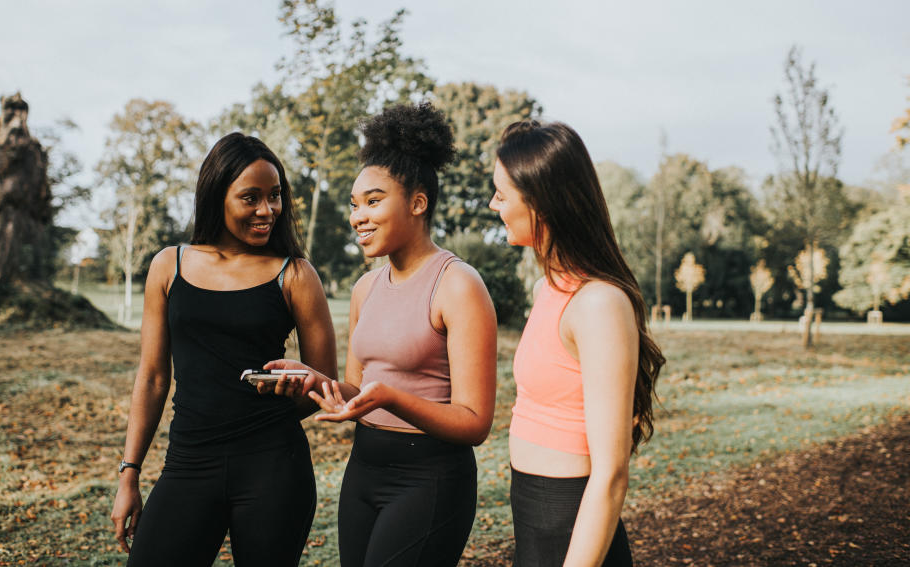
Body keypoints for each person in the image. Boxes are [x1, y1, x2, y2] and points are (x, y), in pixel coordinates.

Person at [266, 102, 497, 567]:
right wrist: (314, 380)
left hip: (430, 477)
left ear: (417, 202)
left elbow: (475, 423)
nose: (358, 217)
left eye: (373, 201)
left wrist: (390, 398)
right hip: (364, 471)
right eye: (354, 205)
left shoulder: (457, 284)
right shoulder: (364, 288)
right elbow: (356, 390)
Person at [109, 133, 337, 567]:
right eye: (250, 197)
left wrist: (295, 388)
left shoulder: (296, 275)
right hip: (189, 462)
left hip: (274, 466)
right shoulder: (168, 265)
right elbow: (154, 377)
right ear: (217, 195)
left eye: (275, 196)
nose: (267, 210)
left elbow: (322, 384)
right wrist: (129, 474)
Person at [488, 120, 664, 567]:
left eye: (502, 194)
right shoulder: (550, 289)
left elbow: (611, 473)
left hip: (574, 530)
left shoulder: (599, 303)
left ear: (540, 203)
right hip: (535, 522)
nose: (493, 205)